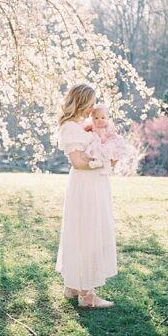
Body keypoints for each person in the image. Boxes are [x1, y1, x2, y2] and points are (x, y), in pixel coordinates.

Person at [55, 84, 118, 308]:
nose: (92, 108)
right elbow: (78, 162)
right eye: (89, 103)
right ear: (79, 102)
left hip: (94, 183)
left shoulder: (83, 126)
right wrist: (102, 163)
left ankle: (73, 285)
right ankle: (86, 294)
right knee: (87, 232)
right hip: (85, 184)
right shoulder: (71, 128)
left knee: (86, 230)